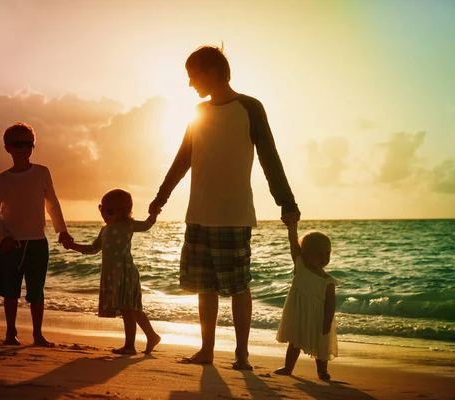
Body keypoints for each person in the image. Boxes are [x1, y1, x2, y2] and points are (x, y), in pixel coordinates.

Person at [148, 45, 300, 370]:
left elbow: (269, 157)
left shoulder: (250, 108)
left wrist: (286, 202)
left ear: (213, 71)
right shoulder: (198, 112)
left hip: (233, 214)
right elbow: (183, 158)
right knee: (205, 287)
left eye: (193, 76)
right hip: (198, 213)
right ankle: (206, 350)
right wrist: (161, 197)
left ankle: (242, 354)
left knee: (238, 286)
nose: (190, 84)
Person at [0, 122, 73, 347]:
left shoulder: (42, 172)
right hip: (11, 244)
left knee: (37, 291)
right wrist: (3, 237)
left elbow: (52, 204)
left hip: (38, 242)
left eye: (29, 144)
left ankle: (37, 334)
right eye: (19, 144)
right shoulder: (2, 179)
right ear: (8, 148)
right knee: (10, 291)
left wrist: (62, 231)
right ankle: (10, 333)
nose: (24, 149)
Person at [64, 189, 161, 355]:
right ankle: (151, 336)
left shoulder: (127, 225)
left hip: (125, 272)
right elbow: (93, 249)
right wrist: (73, 246)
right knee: (132, 309)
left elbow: (145, 226)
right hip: (112, 274)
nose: (104, 214)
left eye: (109, 211)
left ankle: (130, 346)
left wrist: (153, 215)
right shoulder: (105, 230)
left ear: (123, 211)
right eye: (102, 209)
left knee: (128, 308)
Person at [275, 222, 338, 380]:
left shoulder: (328, 281)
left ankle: (322, 371)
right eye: (319, 254)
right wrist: (292, 227)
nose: (323, 258)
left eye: (327, 254)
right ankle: (288, 367)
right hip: (299, 313)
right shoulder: (301, 266)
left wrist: (327, 322)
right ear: (305, 253)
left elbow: (330, 305)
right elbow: (293, 244)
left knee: (321, 345)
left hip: (319, 318)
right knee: (295, 341)